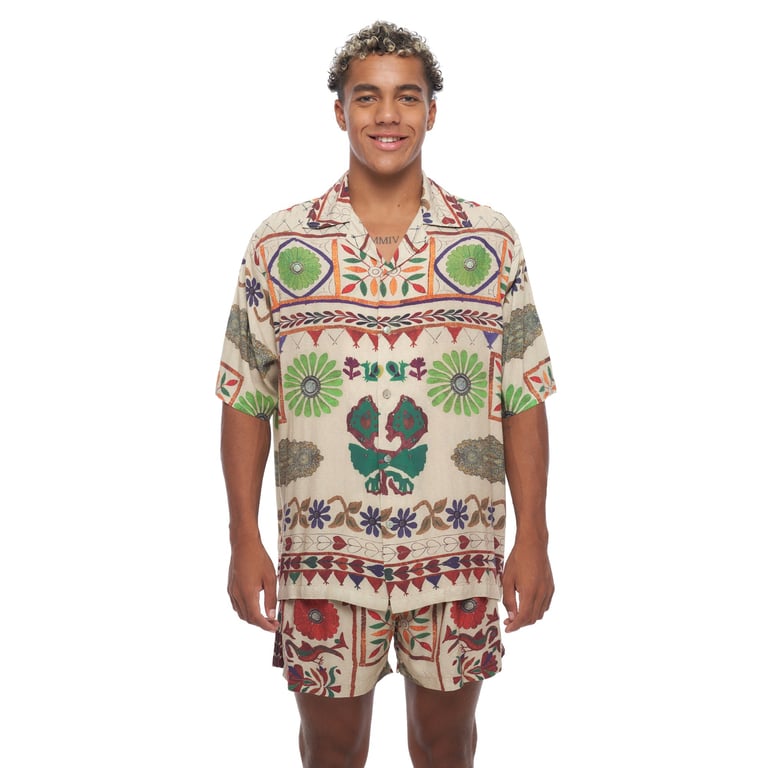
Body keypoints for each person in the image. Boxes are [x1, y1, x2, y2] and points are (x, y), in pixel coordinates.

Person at [217, 20, 556, 768]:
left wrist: (534, 536)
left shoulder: (489, 242)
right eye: (367, 97)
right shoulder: (281, 245)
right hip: (323, 558)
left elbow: (524, 394)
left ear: (432, 110)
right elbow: (245, 398)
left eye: (407, 96)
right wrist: (244, 538)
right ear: (339, 110)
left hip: (458, 553)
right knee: (330, 749)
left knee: (446, 745)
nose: (387, 115)